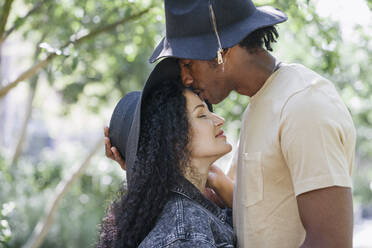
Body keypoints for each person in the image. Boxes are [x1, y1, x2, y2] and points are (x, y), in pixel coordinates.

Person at [105, 0, 356, 247]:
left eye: (188, 64)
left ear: (221, 52)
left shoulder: (302, 103)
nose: (185, 78)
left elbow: (330, 241)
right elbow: (258, 218)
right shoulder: (260, 104)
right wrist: (149, 162)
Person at [97, 59, 236, 248]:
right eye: (202, 115)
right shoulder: (186, 231)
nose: (220, 120)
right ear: (173, 141)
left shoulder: (191, 212)